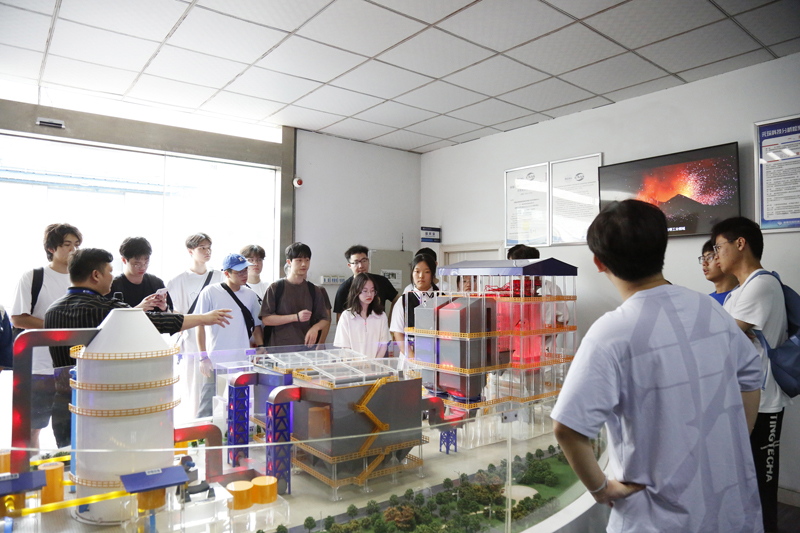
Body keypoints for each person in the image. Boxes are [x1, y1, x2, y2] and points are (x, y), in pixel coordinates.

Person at [551, 200, 762, 532]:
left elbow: (567, 427)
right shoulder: (710, 310)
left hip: (655, 517)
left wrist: (601, 489)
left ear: (598, 262)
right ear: (662, 247)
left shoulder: (611, 332)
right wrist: (733, 440)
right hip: (728, 508)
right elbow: (751, 375)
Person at [44, 248, 232, 447]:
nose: (112, 277)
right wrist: (203, 318)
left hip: (63, 404)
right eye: (109, 271)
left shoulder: (52, 310)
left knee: (69, 457)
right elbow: (157, 322)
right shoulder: (105, 308)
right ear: (96, 275)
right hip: (101, 405)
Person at [713, 216, 789, 532]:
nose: (715, 255)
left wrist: (727, 334)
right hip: (741, 400)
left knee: (762, 486)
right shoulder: (738, 292)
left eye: (719, 247)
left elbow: (722, 339)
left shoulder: (761, 284)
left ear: (740, 244)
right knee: (741, 484)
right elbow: (724, 338)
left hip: (764, 403)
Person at [11, 223, 81, 450]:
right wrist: (58, 328)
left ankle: (67, 470)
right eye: (67, 244)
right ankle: (32, 470)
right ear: (51, 248)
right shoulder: (34, 277)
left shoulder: (82, 279)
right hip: (38, 367)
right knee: (32, 428)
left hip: (73, 367)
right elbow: (18, 318)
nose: (73, 250)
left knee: (71, 429)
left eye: (76, 244)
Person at [195, 253, 263, 417]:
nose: (244, 275)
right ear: (227, 273)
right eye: (239, 272)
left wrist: (261, 347)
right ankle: (204, 432)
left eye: (245, 270)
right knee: (208, 405)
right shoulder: (210, 292)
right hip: (215, 360)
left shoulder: (250, 295)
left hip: (242, 361)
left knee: (239, 403)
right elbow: (199, 325)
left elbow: (256, 325)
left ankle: (233, 431)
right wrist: (203, 357)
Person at [260, 242, 330, 347]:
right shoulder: (276, 288)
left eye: (307, 260)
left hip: (305, 348)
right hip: (278, 348)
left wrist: (315, 328)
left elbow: (324, 319)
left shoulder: (314, 290)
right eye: (299, 260)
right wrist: (295, 317)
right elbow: (266, 319)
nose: (304, 264)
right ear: (289, 262)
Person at [167, 233, 224, 355]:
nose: (207, 251)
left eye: (209, 247)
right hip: (189, 336)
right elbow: (168, 309)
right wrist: (180, 322)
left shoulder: (220, 276)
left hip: (215, 334)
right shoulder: (177, 280)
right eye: (202, 248)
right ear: (190, 251)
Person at [390, 254, 439, 360]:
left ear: (432, 274)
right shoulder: (403, 301)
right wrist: (413, 358)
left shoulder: (442, 298)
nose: (421, 276)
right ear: (412, 273)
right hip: (410, 359)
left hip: (437, 357)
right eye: (417, 271)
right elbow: (398, 333)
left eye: (427, 272)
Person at [333, 245, 399, 323]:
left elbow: (397, 300)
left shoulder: (382, 281)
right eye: (356, 262)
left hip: (378, 326)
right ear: (349, 265)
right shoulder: (344, 288)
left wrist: (392, 321)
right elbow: (340, 319)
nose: (361, 266)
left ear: (368, 261)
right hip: (355, 328)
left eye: (364, 261)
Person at [334, 273, 390, 359]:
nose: (369, 294)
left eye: (372, 290)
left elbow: (383, 345)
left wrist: (374, 363)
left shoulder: (381, 316)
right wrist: (356, 364)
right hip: (353, 364)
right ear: (356, 291)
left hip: (375, 364)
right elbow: (345, 348)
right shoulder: (346, 316)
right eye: (365, 291)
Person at [109, 236, 172, 310]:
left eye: (146, 262)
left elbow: (171, 313)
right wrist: (138, 309)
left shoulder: (156, 283)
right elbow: (109, 315)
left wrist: (164, 308)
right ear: (124, 260)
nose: (143, 267)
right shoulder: (114, 286)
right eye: (137, 264)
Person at [698, 238, 738, 305]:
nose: (704, 263)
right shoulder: (706, 301)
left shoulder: (743, 294)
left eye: (709, 257)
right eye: (703, 259)